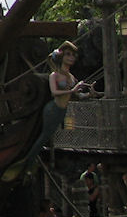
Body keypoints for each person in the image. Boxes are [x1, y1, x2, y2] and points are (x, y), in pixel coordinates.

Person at [16, 41, 86, 173]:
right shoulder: (55, 75)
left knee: (65, 134)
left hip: (64, 111)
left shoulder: (71, 77)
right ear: (61, 57)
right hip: (53, 109)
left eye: (73, 55)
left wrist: (90, 94)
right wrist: (72, 90)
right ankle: (26, 162)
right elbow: (54, 92)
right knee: (44, 137)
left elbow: (76, 95)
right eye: (68, 54)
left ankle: (37, 161)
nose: (71, 57)